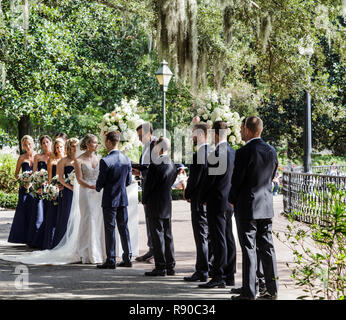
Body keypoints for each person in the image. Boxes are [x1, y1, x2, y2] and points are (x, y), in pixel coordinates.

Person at [229, 116, 279, 300]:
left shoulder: (243, 152)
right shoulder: (271, 151)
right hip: (265, 205)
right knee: (267, 248)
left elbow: (237, 180)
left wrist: (232, 199)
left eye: (242, 129)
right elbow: (272, 175)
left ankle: (249, 291)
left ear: (248, 130)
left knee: (249, 248)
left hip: (247, 206)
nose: (241, 132)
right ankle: (272, 290)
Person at [199, 121, 236, 288]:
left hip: (217, 201)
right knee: (229, 238)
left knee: (218, 239)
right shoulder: (233, 152)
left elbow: (210, 180)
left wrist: (202, 198)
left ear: (214, 134)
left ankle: (218, 275)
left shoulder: (216, 153)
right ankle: (229, 275)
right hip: (229, 202)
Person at [95, 131, 132, 269]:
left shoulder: (105, 161)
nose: (105, 144)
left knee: (110, 229)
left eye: (106, 141)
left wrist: (98, 187)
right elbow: (128, 181)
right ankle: (127, 257)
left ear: (110, 142)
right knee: (124, 228)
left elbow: (101, 181)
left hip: (110, 199)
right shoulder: (126, 159)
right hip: (122, 198)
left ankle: (111, 259)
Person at [142, 137, 177, 276]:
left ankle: (160, 266)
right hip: (166, 202)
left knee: (157, 235)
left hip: (154, 202)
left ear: (158, 147)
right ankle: (170, 265)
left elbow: (148, 186)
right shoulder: (172, 163)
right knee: (168, 235)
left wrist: (144, 200)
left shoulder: (155, 164)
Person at [183, 123, 210, 282]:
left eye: (193, 134)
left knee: (200, 237)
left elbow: (194, 180)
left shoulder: (199, 155)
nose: (192, 137)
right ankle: (209, 266)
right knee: (209, 237)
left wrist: (188, 193)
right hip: (209, 201)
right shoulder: (214, 153)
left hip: (199, 201)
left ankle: (202, 270)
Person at [74, 135, 107, 264]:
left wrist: (99, 186)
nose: (96, 145)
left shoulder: (99, 159)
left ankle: (100, 251)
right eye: (94, 143)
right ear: (87, 144)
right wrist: (91, 186)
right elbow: (79, 179)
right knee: (89, 218)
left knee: (99, 219)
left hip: (99, 192)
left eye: (97, 143)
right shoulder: (79, 160)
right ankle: (86, 251)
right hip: (86, 191)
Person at [133, 123, 157, 263]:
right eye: (139, 136)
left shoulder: (155, 146)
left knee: (154, 221)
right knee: (149, 220)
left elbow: (155, 169)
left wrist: (141, 171)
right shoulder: (146, 147)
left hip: (154, 191)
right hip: (146, 187)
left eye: (141, 135)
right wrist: (139, 171)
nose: (139, 138)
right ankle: (151, 249)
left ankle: (157, 252)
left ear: (149, 133)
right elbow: (146, 167)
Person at [8, 135, 36, 244]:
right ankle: (21, 237)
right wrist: (23, 181)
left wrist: (34, 183)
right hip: (23, 188)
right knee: (23, 210)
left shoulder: (37, 156)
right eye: (25, 145)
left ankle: (32, 236)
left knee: (34, 210)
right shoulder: (21, 157)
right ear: (23, 146)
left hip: (35, 188)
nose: (27, 146)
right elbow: (16, 174)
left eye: (29, 144)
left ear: (32, 144)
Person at [27, 135, 52, 249]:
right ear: (41, 145)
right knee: (39, 214)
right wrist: (37, 186)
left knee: (50, 214)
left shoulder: (56, 156)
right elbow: (34, 173)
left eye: (47, 142)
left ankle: (49, 240)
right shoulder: (38, 156)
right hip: (40, 188)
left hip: (52, 189)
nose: (45, 144)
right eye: (43, 143)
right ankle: (37, 240)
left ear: (51, 143)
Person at [42, 138, 65, 250]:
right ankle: (50, 243)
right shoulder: (52, 160)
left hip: (65, 190)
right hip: (55, 190)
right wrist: (51, 189)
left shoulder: (67, 159)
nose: (59, 149)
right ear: (54, 149)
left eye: (61, 146)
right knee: (53, 215)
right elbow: (50, 177)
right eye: (57, 147)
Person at [52, 137, 75, 247]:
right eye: (72, 146)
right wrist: (70, 187)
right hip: (68, 192)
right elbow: (60, 178)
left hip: (80, 192)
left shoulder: (80, 159)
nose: (74, 148)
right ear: (68, 148)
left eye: (76, 146)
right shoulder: (63, 161)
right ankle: (62, 243)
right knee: (66, 216)